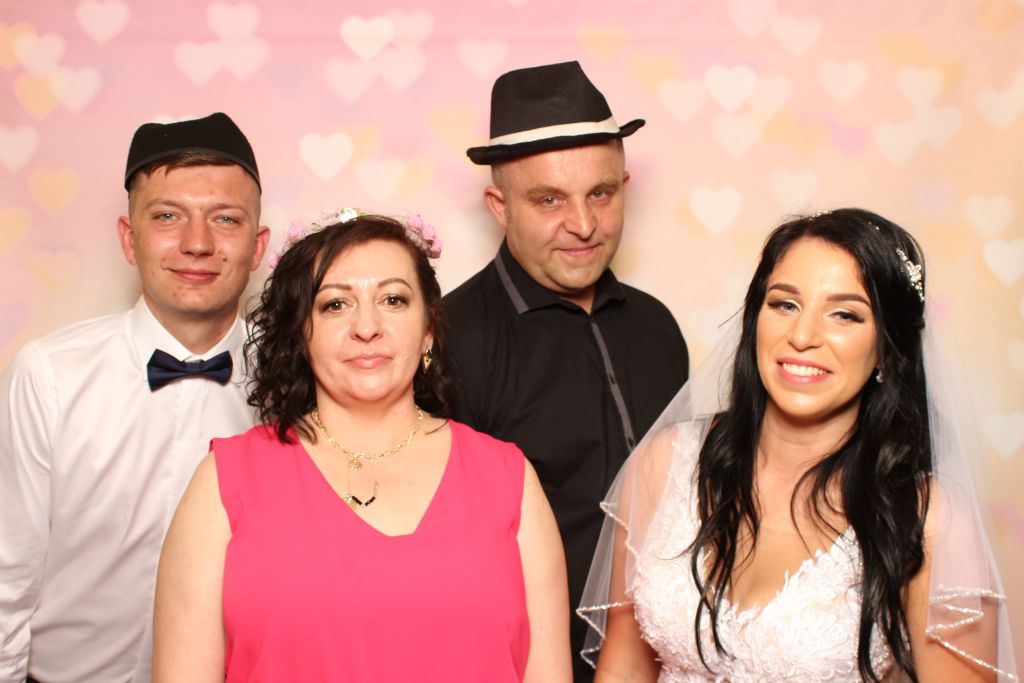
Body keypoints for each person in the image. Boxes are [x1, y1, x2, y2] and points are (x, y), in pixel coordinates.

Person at [579, 208, 1018, 682]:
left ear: (887, 350)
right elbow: (625, 666)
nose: (802, 337)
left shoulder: (929, 520)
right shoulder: (666, 463)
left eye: (845, 314)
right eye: (785, 304)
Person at [152, 212, 571, 682]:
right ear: (300, 334)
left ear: (429, 328)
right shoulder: (224, 481)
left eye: (393, 300)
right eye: (335, 305)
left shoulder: (508, 478)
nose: (367, 327)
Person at [0, 113, 269, 683]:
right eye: (167, 216)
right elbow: (7, 575)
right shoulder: (49, 374)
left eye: (225, 218)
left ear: (257, 246)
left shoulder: (296, 379)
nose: (197, 243)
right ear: (129, 238)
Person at [447, 60, 689, 680]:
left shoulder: (658, 327)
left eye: (600, 194)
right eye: (549, 199)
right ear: (500, 206)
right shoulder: (449, 339)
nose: (583, 225)